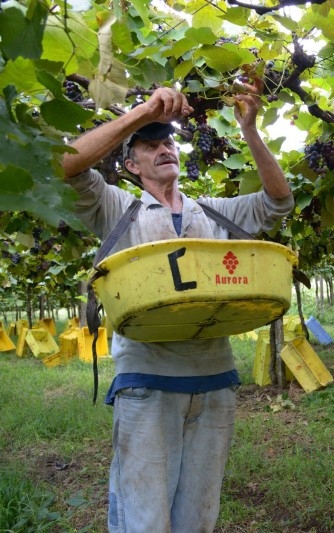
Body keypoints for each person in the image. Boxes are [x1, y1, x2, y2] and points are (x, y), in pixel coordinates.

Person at [61, 85, 294, 532]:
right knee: (144, 518)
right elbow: (66, 165)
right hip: (148, 384)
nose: (164, 148)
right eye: (150, 145)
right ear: (131, 165)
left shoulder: (214, 213)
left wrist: (250, 131)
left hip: (215, 384)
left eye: (168, 141)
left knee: (199, 517)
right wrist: (144, 111)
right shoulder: (117, 208)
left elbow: (278, 202)